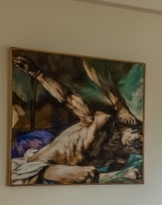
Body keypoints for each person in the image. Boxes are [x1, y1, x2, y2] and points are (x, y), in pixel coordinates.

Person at [11, 54, 143, 184]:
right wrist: (37, 73)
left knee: (92, 175)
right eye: (139, 137)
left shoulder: (120, 157)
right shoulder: (99, 122)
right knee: (89, 173)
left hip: (65, 180)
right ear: (132, 127)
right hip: (40, 167)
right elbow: (66, 97)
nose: (136, 145)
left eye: (138, 147)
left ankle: (123, 175)